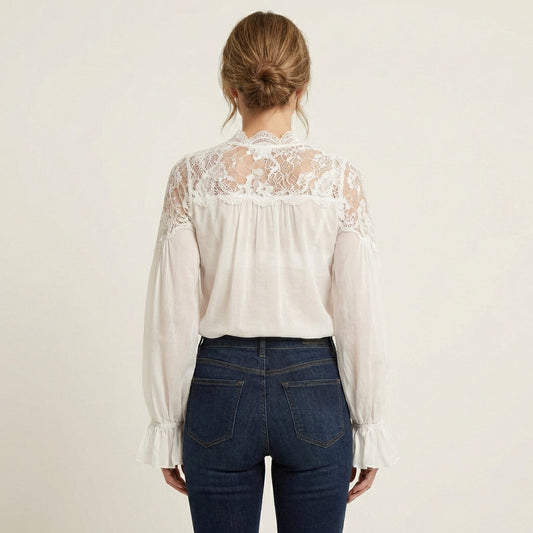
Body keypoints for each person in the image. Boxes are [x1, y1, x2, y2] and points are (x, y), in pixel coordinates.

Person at [136, 10, 400, 533]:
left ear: (230, 87)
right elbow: (359, 314)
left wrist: (167, 424)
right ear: (300, 87)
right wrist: (369, 424)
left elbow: (172, 315)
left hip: (219, 385)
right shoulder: (338, 179)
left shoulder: (191, 177)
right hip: (314, 386)